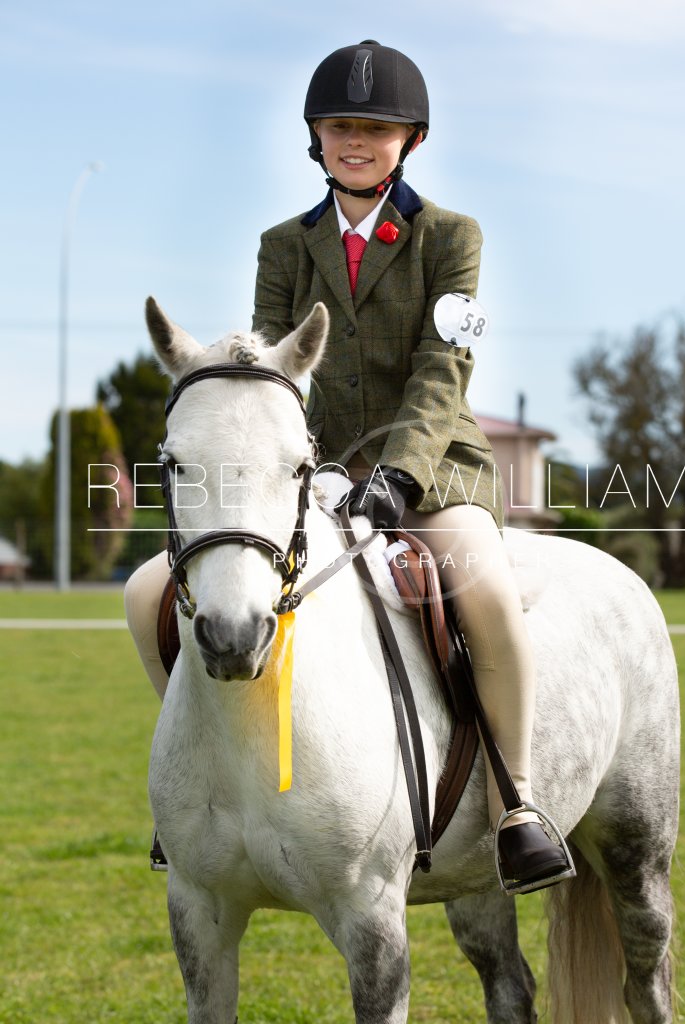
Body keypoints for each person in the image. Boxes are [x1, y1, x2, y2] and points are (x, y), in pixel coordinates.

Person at [125, 39, 570, 890]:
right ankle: (198, 787)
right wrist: (289, 464)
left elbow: (444, 367)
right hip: (313, 469)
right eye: (339, 127)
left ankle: (518, 805)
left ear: (410, 140)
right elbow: (269, 368)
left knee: (482, 593)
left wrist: (399, 472)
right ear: (315, 138)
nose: (355, 142)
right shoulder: (283, 246)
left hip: (433, 467)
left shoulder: (451, 237)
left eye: (374, 129)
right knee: (149, 593)